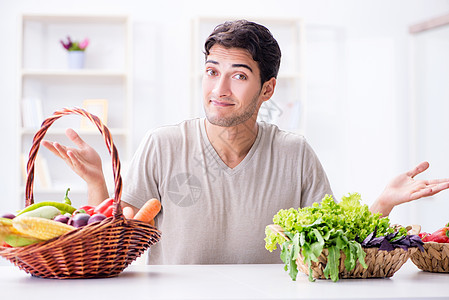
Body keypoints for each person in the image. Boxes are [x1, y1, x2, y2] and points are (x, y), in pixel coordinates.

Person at [42, 20, 449, 264]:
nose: (218, 88)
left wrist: (383, 204)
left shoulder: (294, 152)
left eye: (238, 75)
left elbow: (335, 246)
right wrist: (97, 182)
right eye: (210, 70)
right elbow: (117, 239)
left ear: (267, 89)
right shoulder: (161, 145)